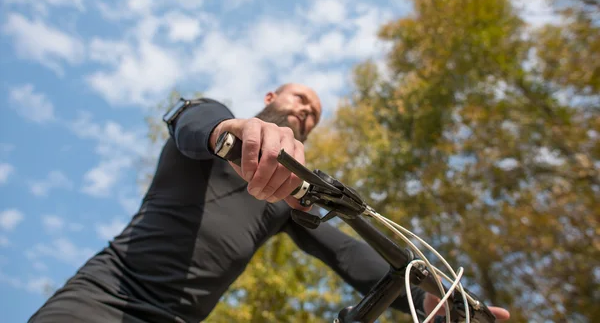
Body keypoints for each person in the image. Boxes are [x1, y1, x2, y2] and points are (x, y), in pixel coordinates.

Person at [28, 83, 510, 322]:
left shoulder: (286, 201)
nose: (307, 111)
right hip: (102, 299)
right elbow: (193, 120)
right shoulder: (208, 139)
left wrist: (427, 295)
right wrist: (231, 131)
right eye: (301, 99)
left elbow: (347, 252)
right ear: (271, 96)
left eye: (315, 116)